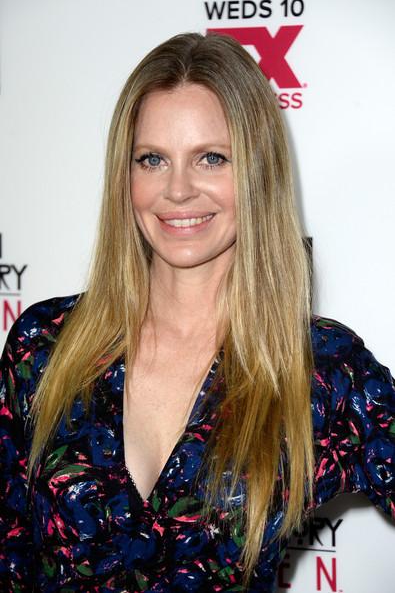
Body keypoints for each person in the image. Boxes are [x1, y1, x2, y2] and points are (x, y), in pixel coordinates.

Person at [0, 32, 393, 593]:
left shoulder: (320, 368)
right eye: (152, 159)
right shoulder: (44, 346)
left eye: (211, 158)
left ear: (256, 173)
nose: (178, 190)